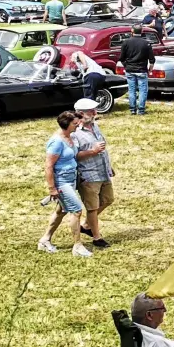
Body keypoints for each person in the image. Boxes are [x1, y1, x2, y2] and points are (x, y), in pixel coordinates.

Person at [40, 111, 91, 257]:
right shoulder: (56, 142)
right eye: (75, 124)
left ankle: (45, 240)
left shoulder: (70, 137)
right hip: (61, 182)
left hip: (70, 179)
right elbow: (48, 166)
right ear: (66, 125)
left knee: (61, 211)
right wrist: (52, 189)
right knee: (76, 210)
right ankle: (77, 246)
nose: (78, 125)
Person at [70, 99, 114, 249]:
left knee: (108, 199)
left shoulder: (95, 126)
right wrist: (92, 151)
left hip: (103, 171)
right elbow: (74, 155)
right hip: (88, 174)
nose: (95, 113)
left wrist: (109, 166)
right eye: (91, 111)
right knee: (92, 207)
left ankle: (87, 225)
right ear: (81, 114)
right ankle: (96, 237)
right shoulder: (74, 132)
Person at [118, 25, 153, 115]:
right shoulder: (146, 43)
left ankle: (132, 109)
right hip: (141, 69)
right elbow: (152, 59)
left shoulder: (126, 42)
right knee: (142, 90)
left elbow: (121, 58)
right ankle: (141, 109)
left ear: (132, 31)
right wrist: (150, 69)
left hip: (130, 69)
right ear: (141, 31)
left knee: (131, 90)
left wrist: (126, 66)